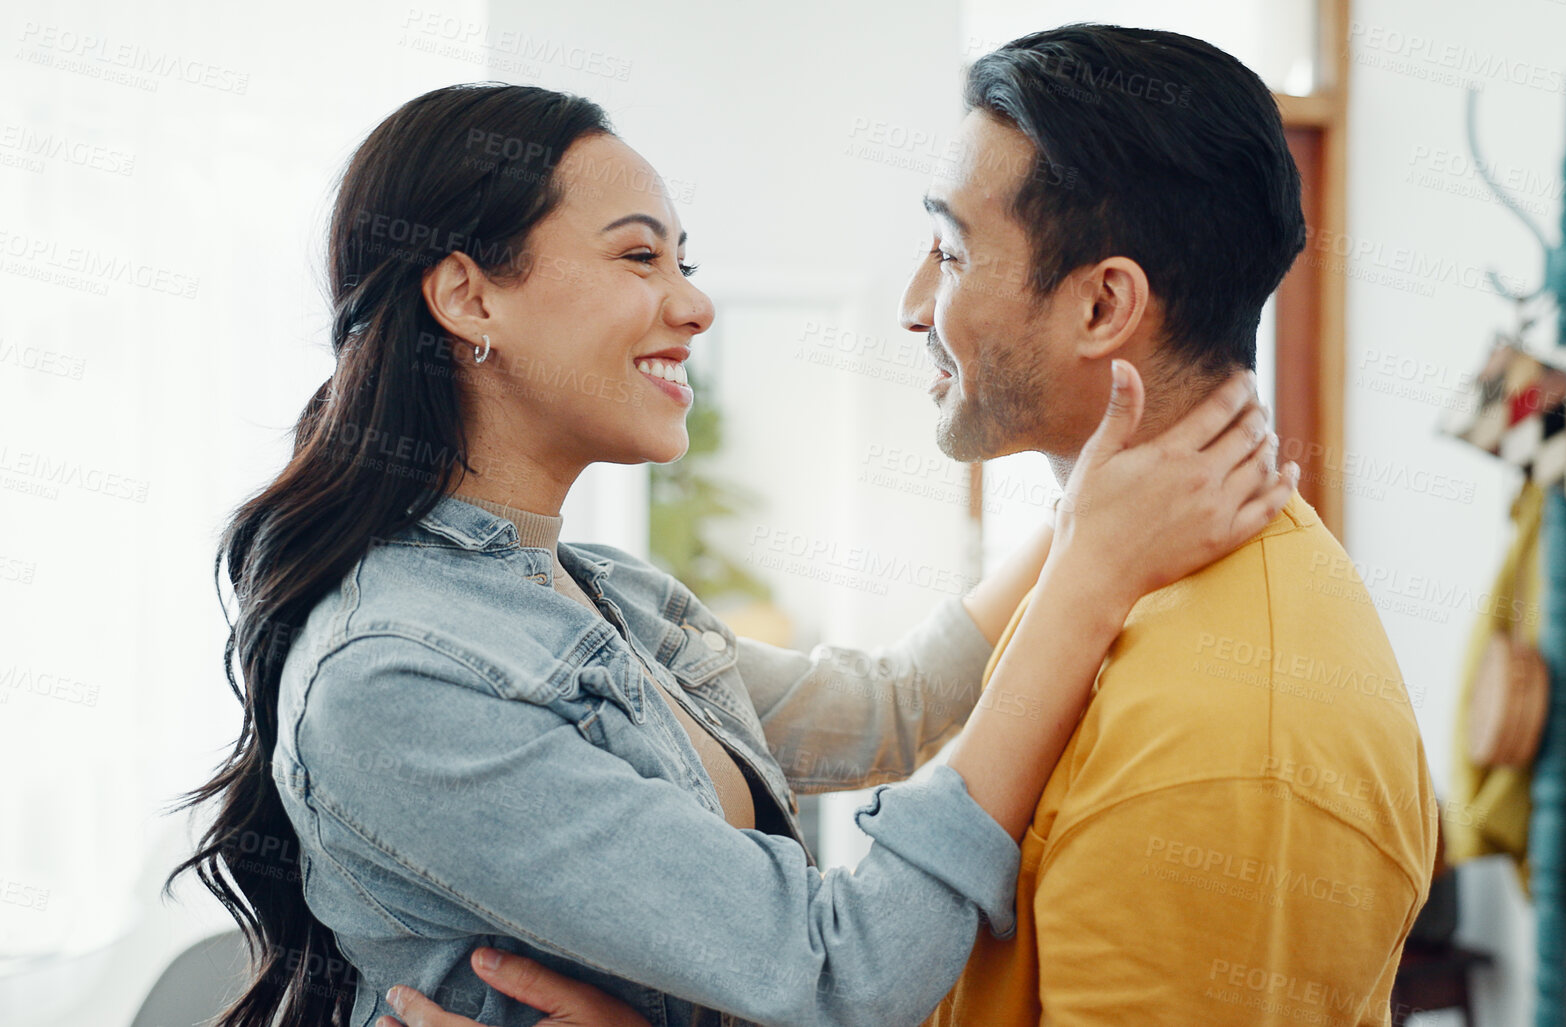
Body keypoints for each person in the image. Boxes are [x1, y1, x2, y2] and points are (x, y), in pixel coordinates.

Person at [167, 81, 1297, 1027]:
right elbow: (840, 972)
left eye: (683, 259)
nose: (694, 303)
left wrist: (1093, 502)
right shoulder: (397, 675)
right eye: (639, 256)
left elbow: (897, 706)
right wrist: (1092, 576)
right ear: (469, 297)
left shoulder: (594, 594)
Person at [397, 22, 1439, 1027]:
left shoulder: (1232, 736)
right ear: (465, 297)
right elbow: (891, 722)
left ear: (1101, 306)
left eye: (947, 250)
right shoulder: (419, 656)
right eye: (638, 259)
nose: (908, 304)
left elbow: (882, 754)